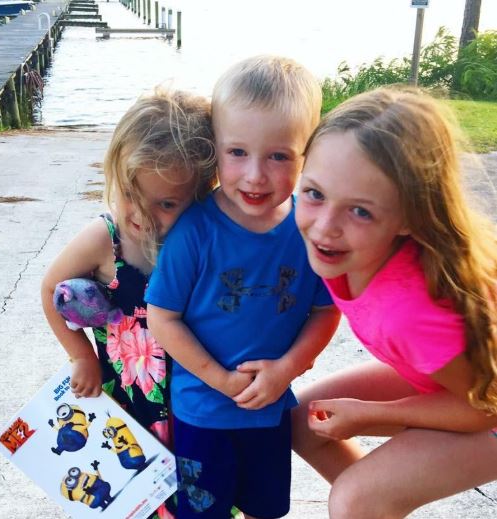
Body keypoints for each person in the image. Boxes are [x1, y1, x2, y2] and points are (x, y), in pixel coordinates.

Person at [146, 55, 341, 519]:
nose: (255, 175)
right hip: (201, 413)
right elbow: (163, 317)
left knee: (264, 509)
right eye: (237, 152)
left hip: (270, 409)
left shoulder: (307, 228)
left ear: (307, 155)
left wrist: (287, 369)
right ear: (214, 148)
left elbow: (325, 310)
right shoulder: (195, 231)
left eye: (279, 156)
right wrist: (222, 380)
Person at [292, 86, 497, 518]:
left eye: (360, 211)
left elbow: (483, 408)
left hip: (487, 404)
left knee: (356, 500)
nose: (324, 226)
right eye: (314, 193)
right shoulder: (339, 246)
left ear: (409, 217)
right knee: (304, 421)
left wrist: (369, 414)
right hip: (459, 382)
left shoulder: (410, 312)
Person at [41, 87, 216, 519]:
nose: (141, 214)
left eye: (167, 203)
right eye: (129, 194)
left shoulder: (202, 241)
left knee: (201, 494)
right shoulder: (106, 239)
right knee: (136, 497)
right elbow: (50, 289)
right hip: (127, 400)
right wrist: (81, 356)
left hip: (193, 397)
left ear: (203, 194)